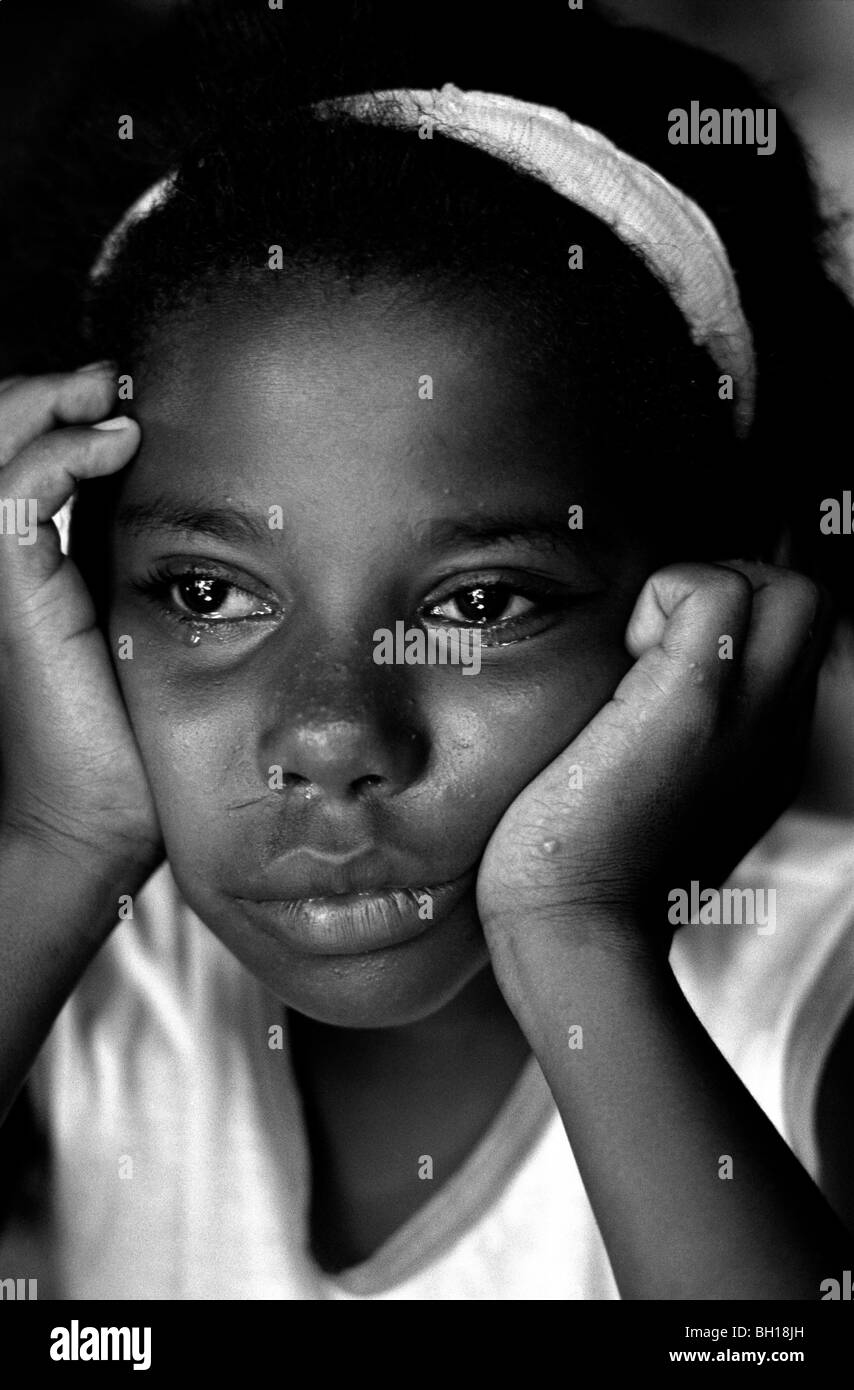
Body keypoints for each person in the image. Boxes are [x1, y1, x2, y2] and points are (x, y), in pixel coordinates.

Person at [0, 0, 852, 1299]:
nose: (332, 737)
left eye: (477, 605)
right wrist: (56, 850)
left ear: (722, 603)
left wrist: (577, 934)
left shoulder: (816, 998)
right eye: (202, 591)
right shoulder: (82, 986)